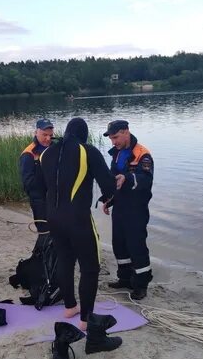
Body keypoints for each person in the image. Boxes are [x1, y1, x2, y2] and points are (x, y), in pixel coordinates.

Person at [39, 117, 118, 331]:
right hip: (78, 219)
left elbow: (41, 187)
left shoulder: (46, 153)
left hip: (53, 218)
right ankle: (85, 319)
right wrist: (113, 190)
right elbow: (108, 186)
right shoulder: (87, 151)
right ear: (83, 134)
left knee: (65, 260)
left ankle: (69, 307)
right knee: (90, 268)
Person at [102, 120, 154, 300]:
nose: (113, 142)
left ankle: (141, 285)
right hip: (120, 208)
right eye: (111, 138)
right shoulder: (116, 154)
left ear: (126, 132)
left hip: (136, 209)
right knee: (119, 244)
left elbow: (145, 180)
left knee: (136, 246)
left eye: (115, 137)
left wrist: (128, 178)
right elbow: (113, 180)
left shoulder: (142, 154)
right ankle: (124, 278)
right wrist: (108, 200)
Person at [19, 118, 54, 248]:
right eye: (44, 135)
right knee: (44, 233)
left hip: (56, 199)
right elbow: (28, 182)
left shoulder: (54, 148)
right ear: (36, 133)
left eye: (50, 135)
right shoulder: (28, 154)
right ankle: (43, 257)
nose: (48, 138)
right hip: (39, 200)